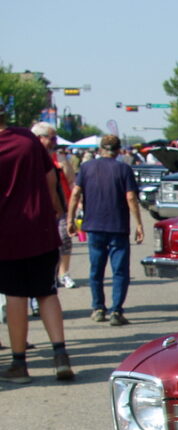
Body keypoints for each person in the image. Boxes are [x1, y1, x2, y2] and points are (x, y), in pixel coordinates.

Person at [0, 105, 75, 382]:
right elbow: (50, 178)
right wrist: (55, 210)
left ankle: (19, 364)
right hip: (41, 227)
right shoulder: (28, 139)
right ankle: (60, 355)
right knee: (47, 292)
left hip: (7, 232)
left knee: (16, 296)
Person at [67, 134, 143, 326]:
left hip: (94, 225)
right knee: (120, 271)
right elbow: (131, 197)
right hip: (118, 226)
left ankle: (98, 308)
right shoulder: (124, 169)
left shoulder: (87, 167)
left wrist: (70, 219)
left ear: (101, 149)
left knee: (96, 269)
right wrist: (139, 224)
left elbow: (75, 194)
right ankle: (116, 311)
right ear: (118, 151)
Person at [31, 122, 77, 288]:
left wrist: (76, 203)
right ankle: (48, 275)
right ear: (39, 138)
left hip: (60, 206)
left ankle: (64, 274)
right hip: (37, 208)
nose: (55, 142)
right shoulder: (29, 156)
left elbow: (71, 181)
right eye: (52, 138)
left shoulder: (59, 157)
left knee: (64, 239)